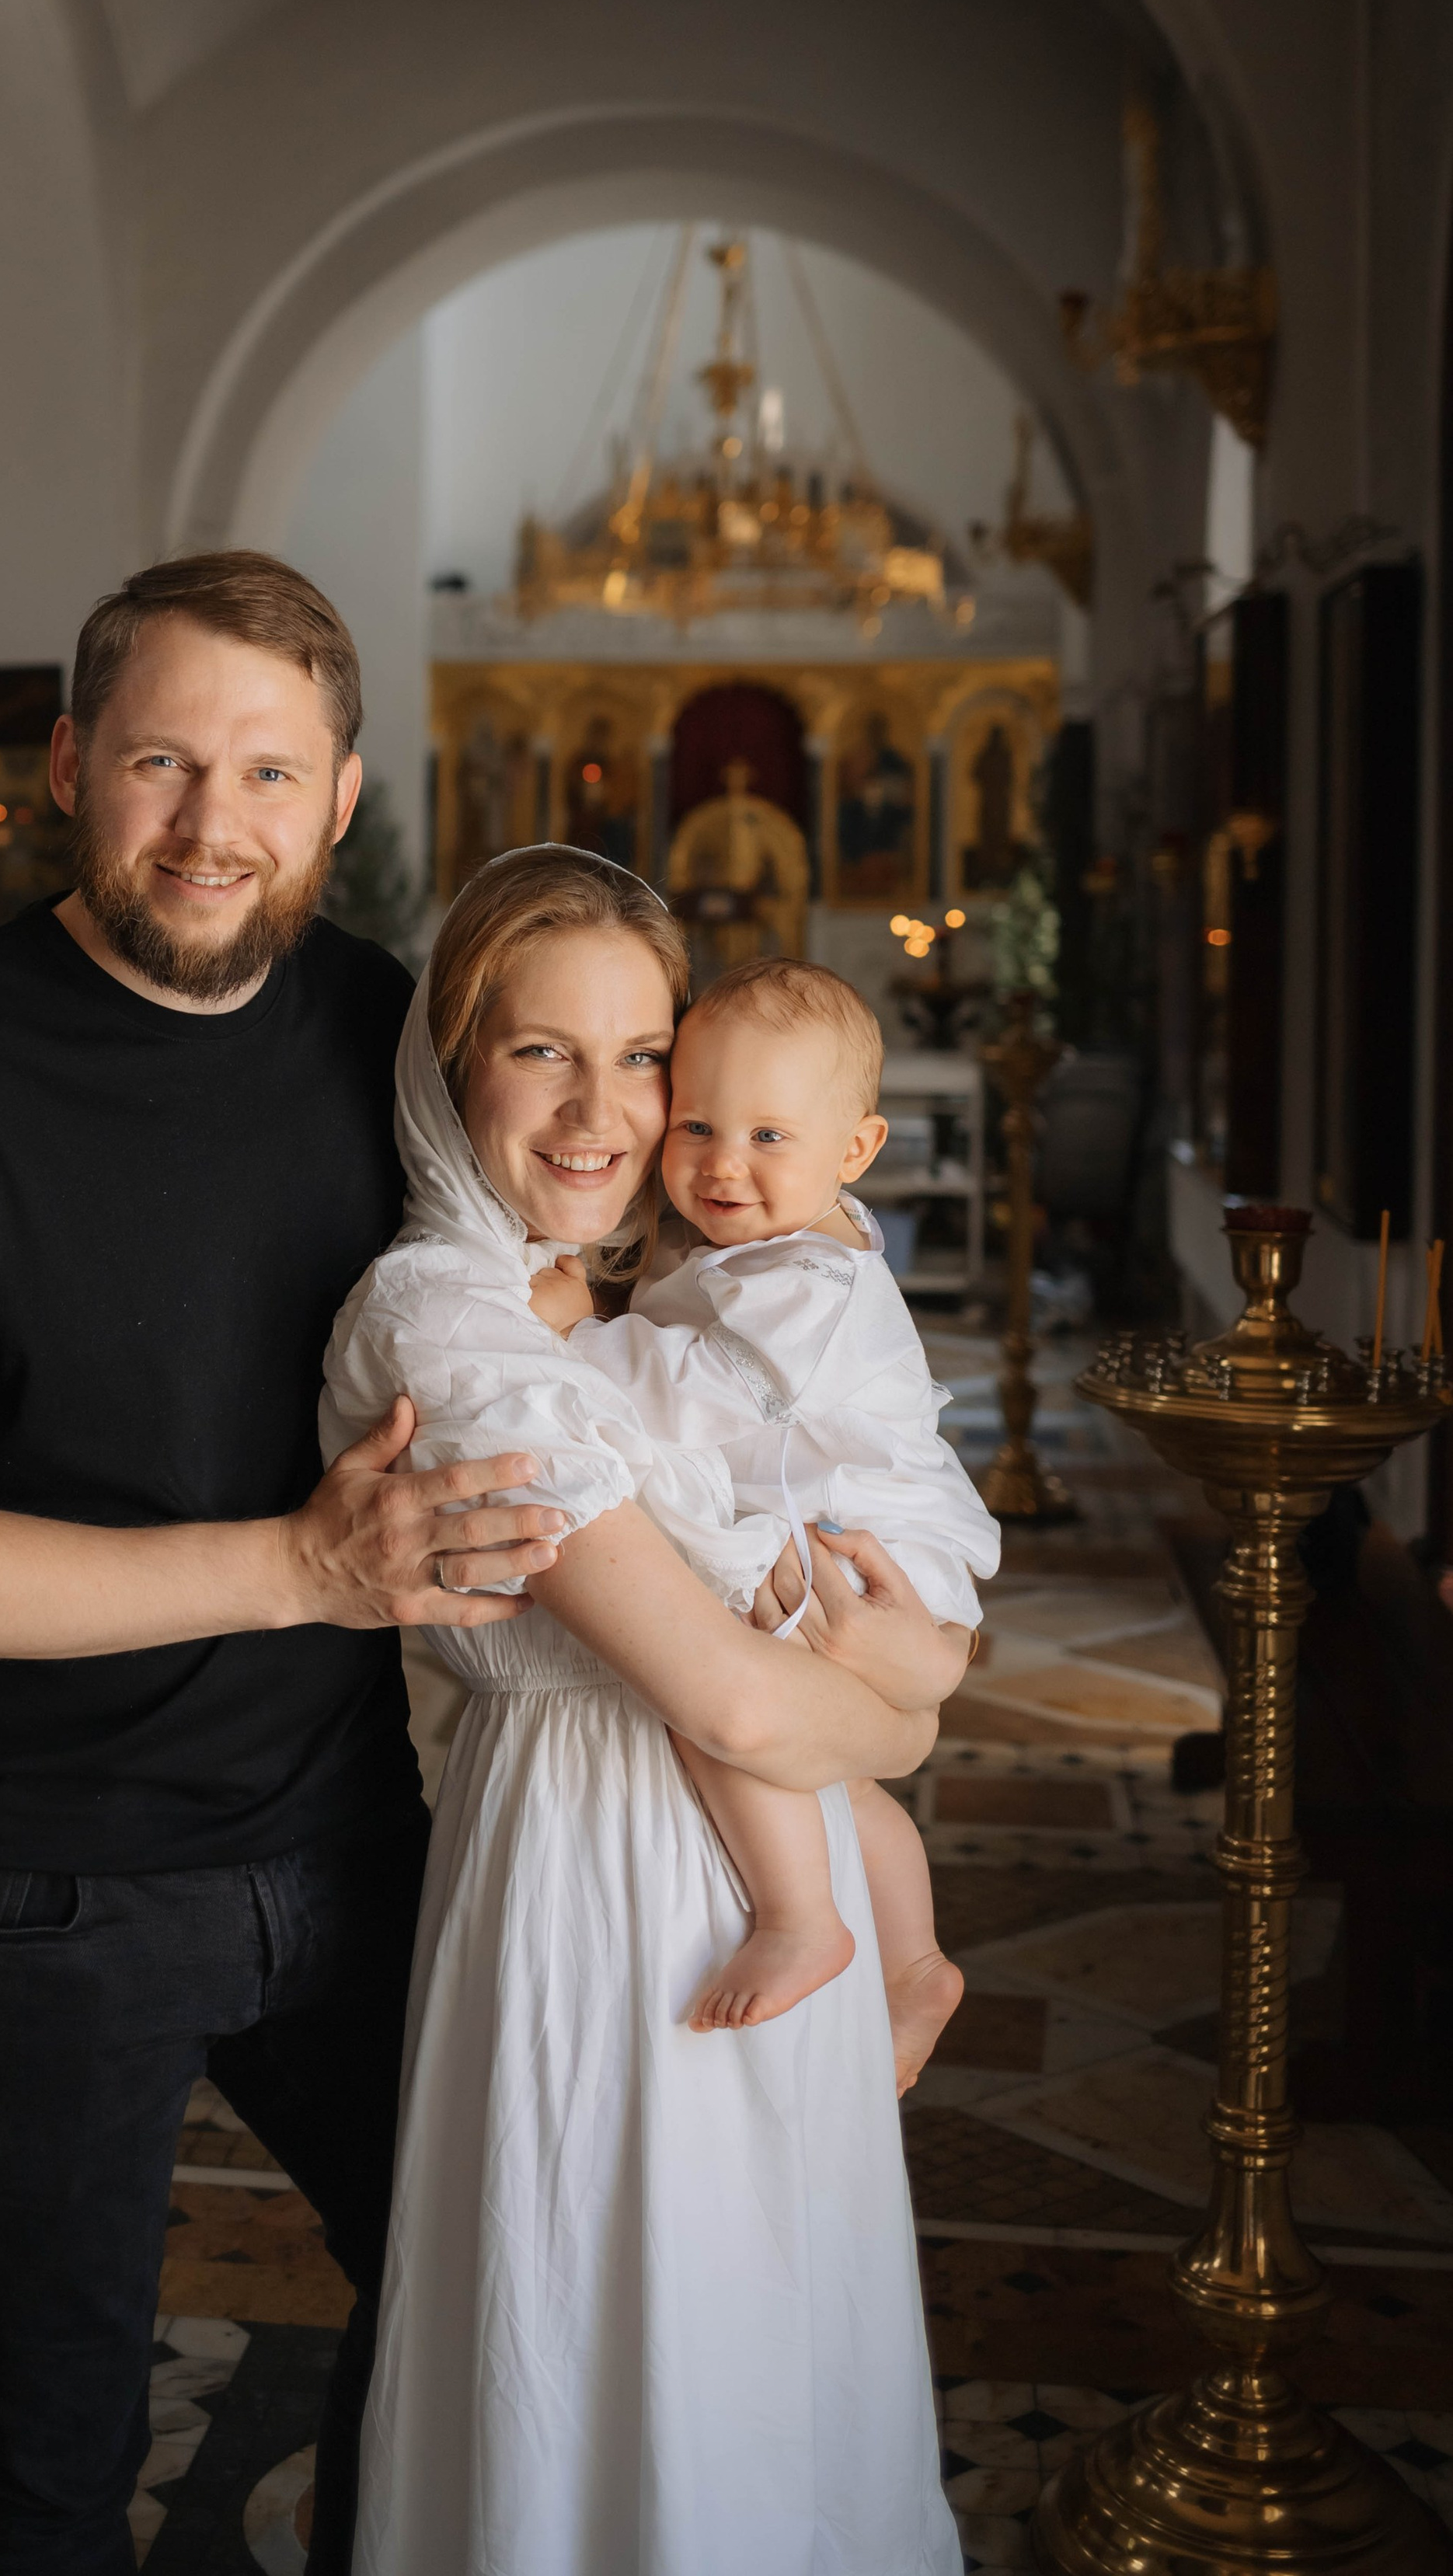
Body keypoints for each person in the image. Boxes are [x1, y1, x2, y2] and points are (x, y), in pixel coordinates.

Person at [0, 552, 574, 2576]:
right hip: (36, 1880)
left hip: (350, 1837)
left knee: (491, 2318)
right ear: (67, 766)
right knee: (54, 2452)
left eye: (269, 772)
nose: (214, 824)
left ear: (344, 796)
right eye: (160, 761)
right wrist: (303, 1568)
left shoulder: (390, 1030)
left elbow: (579, 1243)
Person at [322, 845, 966, 2576]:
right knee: (597, 2323)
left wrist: (907, 1673)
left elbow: (882, 1601)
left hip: (773, 1858)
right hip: (587, 1873)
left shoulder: (674, 1285)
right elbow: (736, 1690)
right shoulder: (442, 1315)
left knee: (769, 2336)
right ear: (453, 1060)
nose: (600, 1110)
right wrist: (902, 1720)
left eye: (639, 1055)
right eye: (541, 1049)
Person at [531, 952, 997, 2078]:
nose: (723, 1163)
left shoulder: (812, 1281)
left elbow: (700, 1390)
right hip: (840, 1533)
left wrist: (574, 1339)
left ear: (855, 1151)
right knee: (830, 1769)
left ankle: (802, 1917)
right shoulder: (770, 1245)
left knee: (714, 1694)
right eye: (696, 1127)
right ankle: (916, 1965)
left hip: (861, 1551)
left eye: (768, 1136)